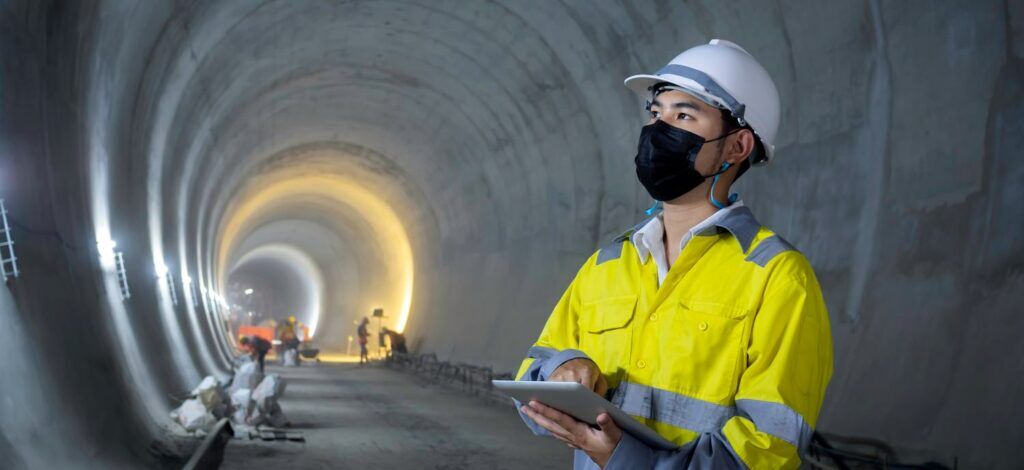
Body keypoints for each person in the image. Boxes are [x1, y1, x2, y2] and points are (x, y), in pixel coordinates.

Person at [514, 39, 834, 469]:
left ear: (737, 147)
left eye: (683, 115)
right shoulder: (609, 264)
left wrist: (627, 460)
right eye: (655, 113)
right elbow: (532, 371)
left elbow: (767, 448)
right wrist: (563, 367)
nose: (658, 130)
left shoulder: (777, 276)